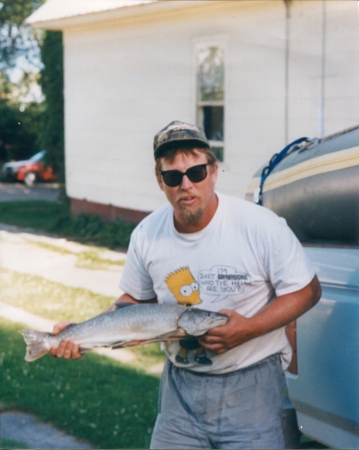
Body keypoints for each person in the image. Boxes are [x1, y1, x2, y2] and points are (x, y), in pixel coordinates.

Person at [51, 120, 322, 449]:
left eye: (196, 173)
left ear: (214, 171)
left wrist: (249, 328)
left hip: (253, 387)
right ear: (159, 181)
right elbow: (131, 302)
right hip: (180, 394)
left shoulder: (260, 226)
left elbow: (308, 290)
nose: (186, 185)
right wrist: (81, 334)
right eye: (173, 176)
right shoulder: (147, 234)